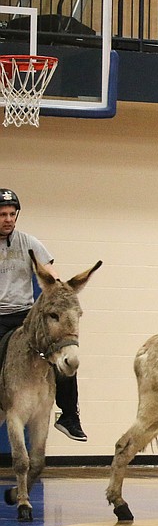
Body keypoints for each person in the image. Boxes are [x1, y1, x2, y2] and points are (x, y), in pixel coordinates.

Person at [0, 188, 87, 441]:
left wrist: (63, 290)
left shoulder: (28, 242)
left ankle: (69, 415)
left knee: (62, 351)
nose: (8, 219)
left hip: (26, 316)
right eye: (3, 214)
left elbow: (51, 272)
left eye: (12, 214)